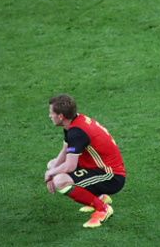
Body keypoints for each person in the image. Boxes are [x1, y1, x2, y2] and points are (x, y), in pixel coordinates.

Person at [44, 94, 126, 228]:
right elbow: (65, 150)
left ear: (61, 116)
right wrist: (52, 170)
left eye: (51, 113)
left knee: (61, 181)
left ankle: (103, 209)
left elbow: (70, 166)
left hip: (111, 176)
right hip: (96, 166)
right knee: (52, 165)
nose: (49, 116)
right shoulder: (74, 121)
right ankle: (100, 197)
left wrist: (50, 174)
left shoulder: (77, 132)